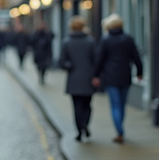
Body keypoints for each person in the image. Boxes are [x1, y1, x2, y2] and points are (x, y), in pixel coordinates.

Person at [93, 14, 144, 144]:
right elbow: (136, 57)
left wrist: (96, 75)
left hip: (111, 77)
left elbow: (99, 60)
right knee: (122, 104)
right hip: (125, 75)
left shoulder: (106, 40)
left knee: (115, 105)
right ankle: (120, 129)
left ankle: (119, 131)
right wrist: (140, 72)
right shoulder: (128, 39)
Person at [59, 16, 96, 141]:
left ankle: (80, 130)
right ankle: (85, 124)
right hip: (88, 79)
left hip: (74, 79)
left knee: (77, 107)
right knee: (87, 105)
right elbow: (96, 60)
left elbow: (62, 61)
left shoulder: (66, 42)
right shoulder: (90, 41)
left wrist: (69, 65)